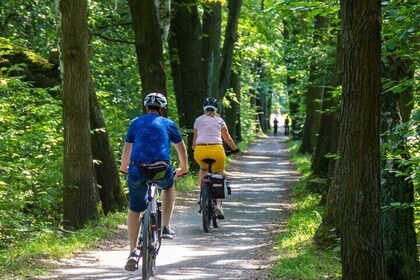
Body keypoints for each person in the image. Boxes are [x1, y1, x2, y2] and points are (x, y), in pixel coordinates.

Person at [120, 92, 188, 271]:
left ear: (146, 107)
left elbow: (127, 150)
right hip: (160, 170)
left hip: (137, 170)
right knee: (168, 186)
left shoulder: (135, 122)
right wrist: (184, 167)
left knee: (135, 209)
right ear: (162, 109)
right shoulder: (168, 124)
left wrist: (123, 168)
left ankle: (133, 252)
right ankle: (165, 226)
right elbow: (181, 149)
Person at [192, 97, 239, 219]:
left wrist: (193, 148)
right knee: (218, 173)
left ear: (204, 107)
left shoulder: (198, 120)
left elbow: (195, 139)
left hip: (200, 150)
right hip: (217, 150)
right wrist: (234, 149)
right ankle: (218, 205)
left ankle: (201, 194)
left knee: (203, 169)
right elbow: (227, 138)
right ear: (216, 108)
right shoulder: (220, 121)